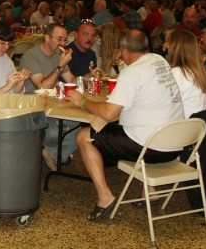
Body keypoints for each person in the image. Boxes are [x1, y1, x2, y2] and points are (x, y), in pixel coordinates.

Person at [66, 30, 184, 222]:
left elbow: (109, 113)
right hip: (177, 143)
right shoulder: (159, 61)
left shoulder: (133, 71)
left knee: (84, 135)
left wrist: (81, 102)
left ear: (125, 50)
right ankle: (150, 190)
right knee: (123, 126)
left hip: (151, 147)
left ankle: (105, 198)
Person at [19, 23, 77, 170]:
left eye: (65, 39)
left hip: (54, 104)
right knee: (54, 131)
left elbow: (72, 80)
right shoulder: (31, 56)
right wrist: (59, 67)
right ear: (46, 37)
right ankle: (55, 152)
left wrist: (89, 78)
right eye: (59, 39)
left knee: (80, 124)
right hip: (33, 106)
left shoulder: (58, 55)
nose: (63, 43)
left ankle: (55, 153)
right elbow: (42, 87)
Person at [166, 28, 206, 118]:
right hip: (200, 127)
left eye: (169, 44)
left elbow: (166, 106)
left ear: (176, 48)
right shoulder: (201, 72)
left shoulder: (176, 74)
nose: (167, 47)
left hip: (185, 127)